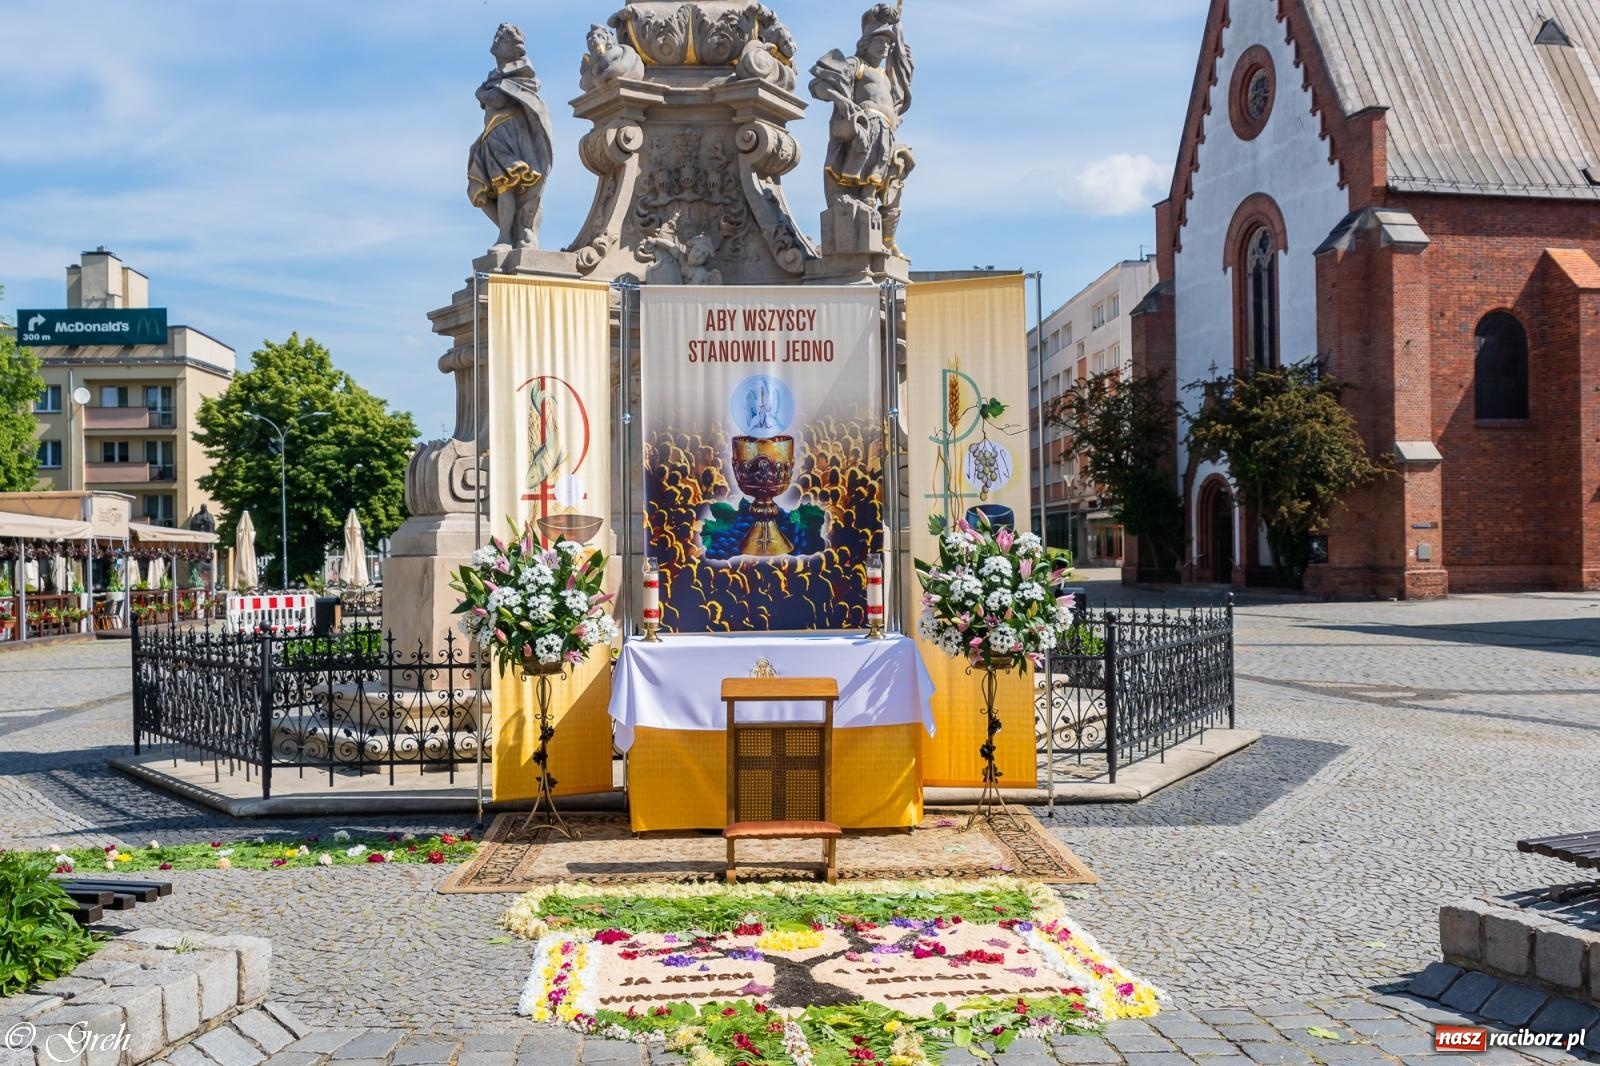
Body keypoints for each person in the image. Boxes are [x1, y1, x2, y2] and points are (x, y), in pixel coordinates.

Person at [808, 3, 916, 256]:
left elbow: (902, 67)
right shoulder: (857, 65)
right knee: (870, 160)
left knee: (901, 168)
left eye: (888, 43)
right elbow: (818, 85)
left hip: (887, 134)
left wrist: (897, 30)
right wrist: (840, 100)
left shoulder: (887, 74)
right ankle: (866, 202)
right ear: (866, 43)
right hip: (867, 129)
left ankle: (887, 238)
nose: (885, 47)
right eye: (880, 41)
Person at [467, 23, 556, 252]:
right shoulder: (496, 75)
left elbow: (497, 100)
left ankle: (508, 236)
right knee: (484, 186)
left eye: (502, 37)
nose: (496, 39)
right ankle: (511, 232)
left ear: (513, 47)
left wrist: (480, 92)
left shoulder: (518, 71)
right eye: (497, 35)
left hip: (509, 136)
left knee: (506, 184)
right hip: (494, 135)